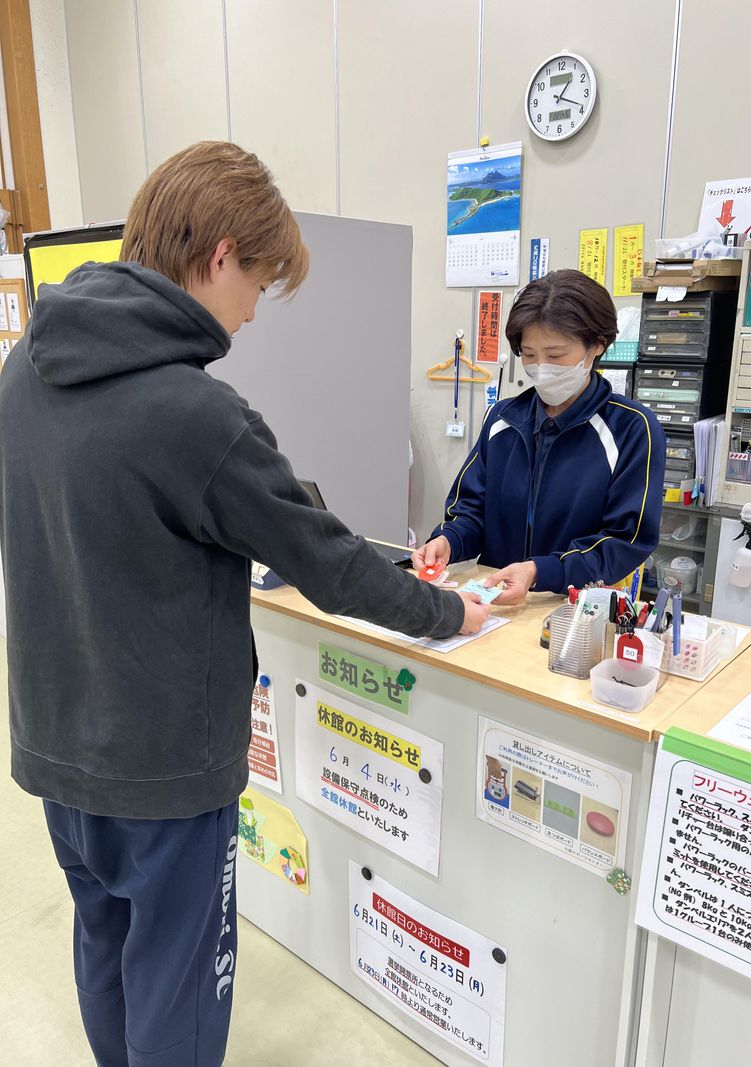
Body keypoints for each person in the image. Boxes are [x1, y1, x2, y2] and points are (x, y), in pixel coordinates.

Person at [0, 141, 491, 1066]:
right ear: (222, 254)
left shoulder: (23, 374)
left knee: (104, 946)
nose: (255, 310)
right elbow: (334, 566)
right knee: (181, 985)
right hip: (167, 770)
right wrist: (450, 614)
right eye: (261, 280)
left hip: (55, 742)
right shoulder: (197, 413)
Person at [413, 269, 666, 603]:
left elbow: (625, 540)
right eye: (529, 355)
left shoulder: (631, 429)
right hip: (495, 604)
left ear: (596, 346)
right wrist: (449, 540)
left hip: (575, 610)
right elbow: (471, 511)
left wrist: (540, 571)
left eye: (556, 355)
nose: (541, 367)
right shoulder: (503, 420)